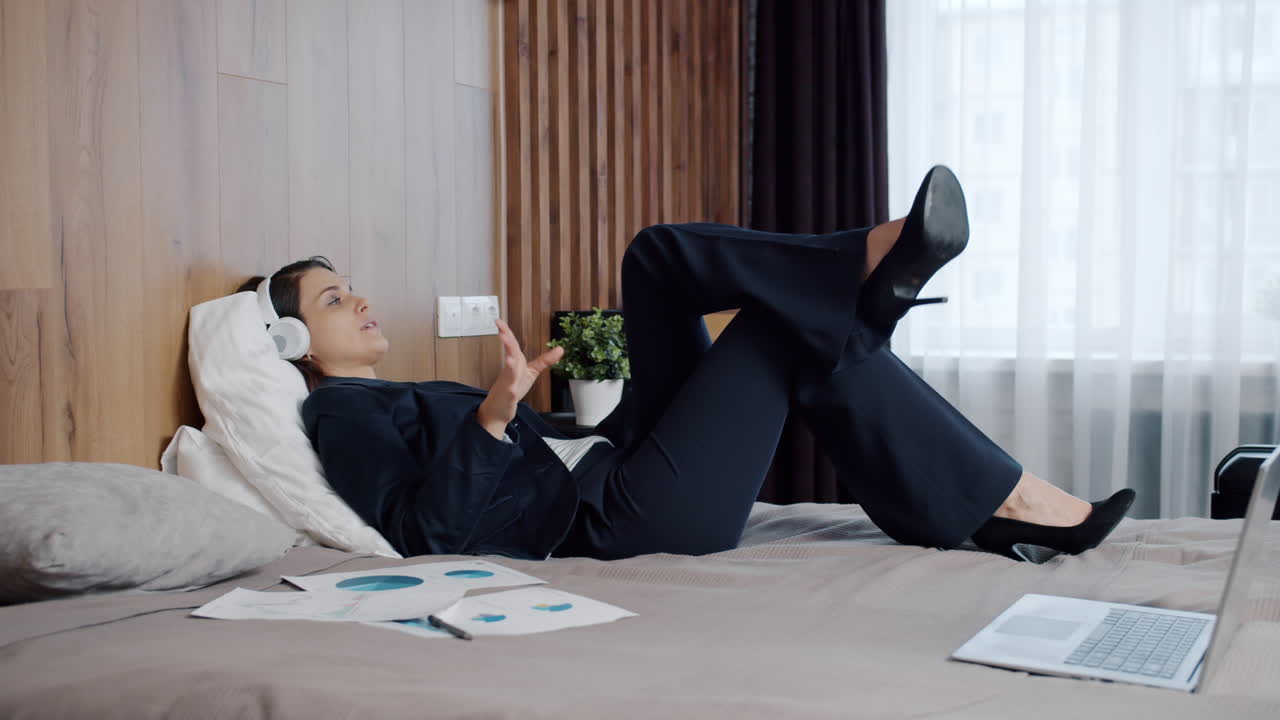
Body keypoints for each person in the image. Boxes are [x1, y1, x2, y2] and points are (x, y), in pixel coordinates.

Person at [237, 165, 1135, 563]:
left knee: (657, 256)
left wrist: (527, 420)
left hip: (612, 459)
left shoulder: (391, 391)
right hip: (619, 522)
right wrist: (493, 415)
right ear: (293, 348)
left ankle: (863, 275)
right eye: (330, 300)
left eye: (348, 286)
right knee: (781, 330)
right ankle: (1002, 492)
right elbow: (426, 534)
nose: (357, 300)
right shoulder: (339, 416)